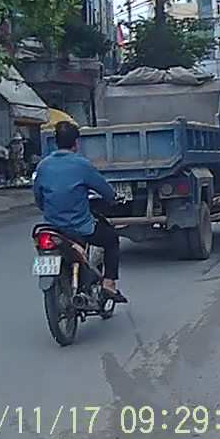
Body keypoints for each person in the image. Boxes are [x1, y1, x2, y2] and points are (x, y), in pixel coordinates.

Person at [33, 121, 127, 303]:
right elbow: (105, 191)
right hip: (80, 227)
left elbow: (38, 197)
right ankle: (109, 283)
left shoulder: (43, 166)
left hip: (52, 228)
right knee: (111, 239)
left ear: (56, 142)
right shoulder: (82, 165)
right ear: (76, 143)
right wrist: (114, 198)